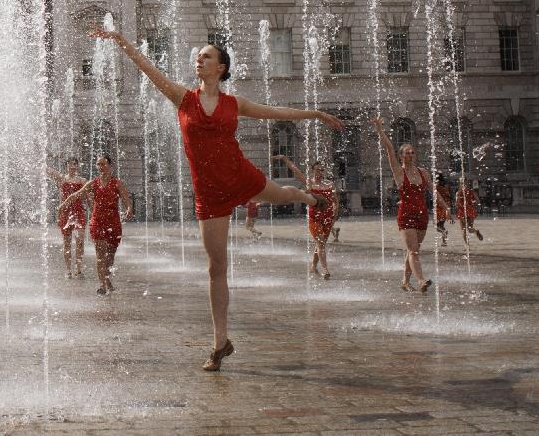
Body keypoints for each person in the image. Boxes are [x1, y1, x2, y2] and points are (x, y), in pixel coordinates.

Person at [90, 31, 342, 371]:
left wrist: (313, 114)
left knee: (283, 195)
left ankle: (308, 198)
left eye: (206, 56)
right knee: (216, 267)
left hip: (240, 175)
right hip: (209, 194)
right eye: (198, 56)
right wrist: (120, 39)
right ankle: (220, 343)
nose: (199, 59)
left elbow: (275, 112)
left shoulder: (234, 104)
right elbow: (147, 70)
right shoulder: (183, 99)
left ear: (221, 67)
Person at [371, 117, 449, 293]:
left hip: (422, 215)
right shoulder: (399, 172)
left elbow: (433, 191)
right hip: (406, 215)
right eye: (406, 152)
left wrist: (446, 207)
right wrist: (380, 130)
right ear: (401, 156)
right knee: (413, 251)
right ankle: (421, 280)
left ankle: (405, 281)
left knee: (412, 249)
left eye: (412, 152)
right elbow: (389, 149)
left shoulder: (423, 172)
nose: (410, 155)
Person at [60, 155, 133, 295]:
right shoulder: (93, 183)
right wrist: (64, 204)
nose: (100, 167)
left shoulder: (117, 183)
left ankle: (107, 279)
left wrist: (129, 208)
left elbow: (126, 200)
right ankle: (102, 285)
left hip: (113, 222)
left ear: (110, 166)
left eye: (103, 164)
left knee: (110, 256)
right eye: (98, 164)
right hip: (97, 222)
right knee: (100, 255)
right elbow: (78, 194)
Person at [274, 156, 338, 279]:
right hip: (314, 217)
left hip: (328, 217)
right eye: (318, 170)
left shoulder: (330, 184)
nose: (320, 172)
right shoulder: (309, 182)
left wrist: (335, 213)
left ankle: (313, 266)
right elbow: (296, 170)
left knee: (321, 244)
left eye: (322, 170)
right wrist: (284, 159)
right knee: (320, 242)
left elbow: (335, 200)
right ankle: (325, 270)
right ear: (313, 170)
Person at [48, 157, 89, 278]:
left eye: (75, 165)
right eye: (70, 165)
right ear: (66, 167)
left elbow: (88, 196)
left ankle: (78, 268)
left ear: (77, 166)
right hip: (65, 213)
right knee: (67, 243)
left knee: (80, 241)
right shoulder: (61, 179)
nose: (73, 167)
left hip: (79, 212)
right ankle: (67, 269)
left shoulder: (82, 181)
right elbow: (49, 171)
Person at [455, 177, 484, 241]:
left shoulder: (459, 192)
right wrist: (477, 206)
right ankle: (476, 231)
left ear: (460, 183)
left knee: (464, 230)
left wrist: (456, 206)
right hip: (470, 210)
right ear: (467, 183)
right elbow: (478, 201)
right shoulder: (471, 191)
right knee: (470, 228)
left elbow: (456, 204)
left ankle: (467, 246)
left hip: (462, 211)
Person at [434, 174, 453, 246]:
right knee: (441, 224)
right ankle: (444, 242)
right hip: (446, 207)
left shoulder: (436, 186)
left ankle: (444, 231)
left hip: (439, 206)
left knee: (436, 226)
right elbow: (450, 196)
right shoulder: (446, 186)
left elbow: (436, 196)